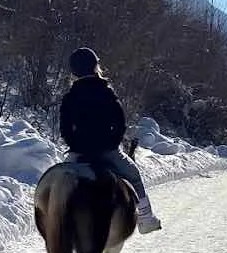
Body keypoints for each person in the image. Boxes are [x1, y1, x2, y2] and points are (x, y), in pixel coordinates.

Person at [59, 47, 162, 234]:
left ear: (73, 71)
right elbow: (120, 124)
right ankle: (146, 219)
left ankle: (59, 226)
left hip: (78, 153)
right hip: (108, 150)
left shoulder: (70, 97)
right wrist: (112, 142)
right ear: (95, 67)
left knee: (60, 184)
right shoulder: (106, 92)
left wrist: (76, 145)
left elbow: (65, 130)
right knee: (133, 175)